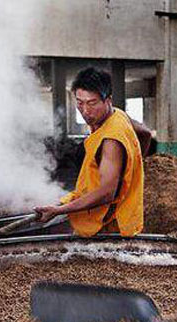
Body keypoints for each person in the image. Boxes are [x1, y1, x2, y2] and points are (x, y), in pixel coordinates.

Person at [35, 67, 145, 237]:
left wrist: (59, 210)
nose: (85, 111)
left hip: (109, 226)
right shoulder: (119, 114)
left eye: (92, 103)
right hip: (100, 217)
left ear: (108, 100)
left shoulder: (111, 140)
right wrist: (135, 168)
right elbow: (144, 133)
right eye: (80, 102)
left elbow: (106, 194)